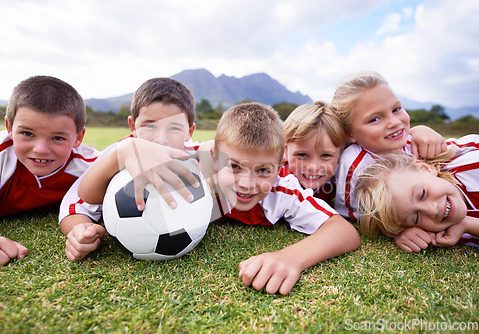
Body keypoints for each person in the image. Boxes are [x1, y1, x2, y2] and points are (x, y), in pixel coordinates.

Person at [81, 102, 360, 295]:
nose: (247, 183)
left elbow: (344, 232)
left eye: (263, 170)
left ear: (280, 164)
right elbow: (88, 194)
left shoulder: (283, 191)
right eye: (234, 166)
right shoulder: (186, 163)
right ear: (213, 158)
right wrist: (125, 151)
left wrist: (291, 258)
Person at [59, 77, 199, 262]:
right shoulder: (116, 157)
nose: (161, 139)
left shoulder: (195, 157)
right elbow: (75, 204)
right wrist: (82, 229)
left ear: (189, 131)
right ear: (133, 126)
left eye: (174, 128)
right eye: (150, 125)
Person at [0, 75, 99, 269]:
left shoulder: (90, 164)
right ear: (9, 127)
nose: (41, 149)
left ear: (78, 137)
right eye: (27, 133)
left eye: (58, 138)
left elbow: (118, 158)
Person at [330, 71, 448, 222]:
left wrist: (421, 129)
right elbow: (352, 214)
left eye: (396, 109)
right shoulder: (354, 164)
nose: (394, 122)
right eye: (375, 119)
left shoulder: (413, 141)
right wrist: (398, 229)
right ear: (349, 134)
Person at [354, 134, 479, 251]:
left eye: (422, 194)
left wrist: (468, 224)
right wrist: (401, 233)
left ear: (425, 169)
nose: (432, 210)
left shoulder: (473, 166)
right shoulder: (441, 230)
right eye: (416, 218)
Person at [282, 101, 345, 202]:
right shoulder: (276, 179)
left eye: (325, 155)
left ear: (340, 154)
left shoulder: (342, 178)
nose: (313, 167)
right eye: (302, 155)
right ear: (284, 151)